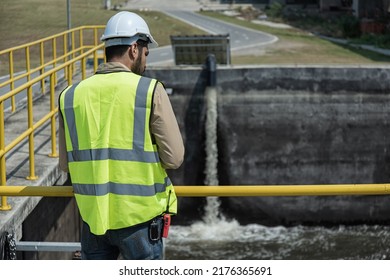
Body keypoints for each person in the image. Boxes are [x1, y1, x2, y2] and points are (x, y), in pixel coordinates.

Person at [58, 11, 184, 260]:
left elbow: (66, 164)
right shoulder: (149, 91)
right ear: (134, 49)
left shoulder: (70, 96)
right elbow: (175, 158)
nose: (145, 62)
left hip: (93, 220)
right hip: (139, 219)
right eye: (146, 53)